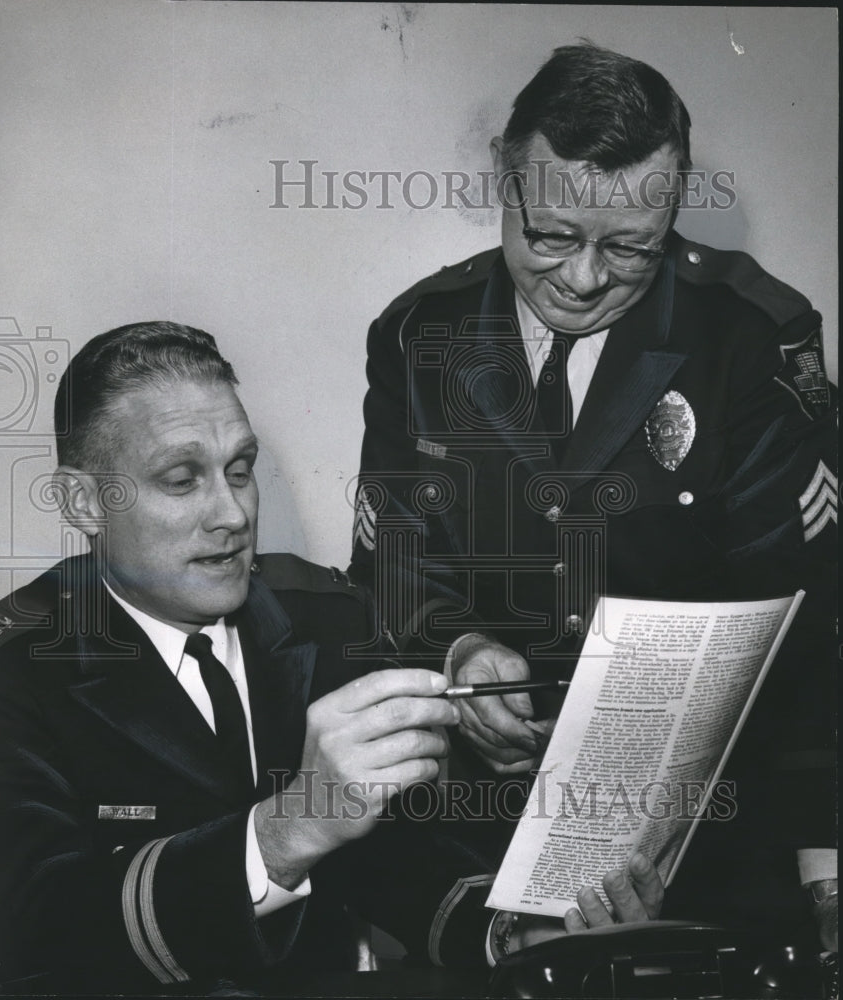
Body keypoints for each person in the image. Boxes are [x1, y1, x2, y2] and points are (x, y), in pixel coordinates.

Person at [0, 322, 663, 995]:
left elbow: (392, 856)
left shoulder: (322, 614)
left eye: (240, 470)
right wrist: (290, 827)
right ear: (83, 502)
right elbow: (34, 927)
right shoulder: (16, 668)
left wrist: (514, 935)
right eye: (180, 479)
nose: (231, 514)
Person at [348, 44, 837, 949]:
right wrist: (459, 649)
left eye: (627, 248)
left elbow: (803, 620)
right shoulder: (423, 330)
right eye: (551, 237)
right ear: (505, 183)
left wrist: (825, 875)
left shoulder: (750, 337)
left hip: (703, 839)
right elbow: (391, 568)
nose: (581, 280)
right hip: (478, 842)